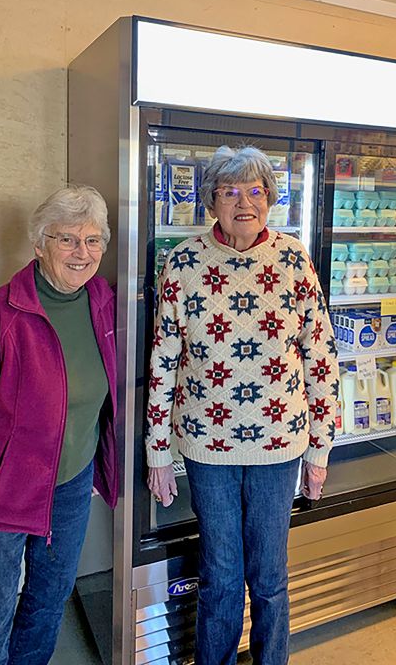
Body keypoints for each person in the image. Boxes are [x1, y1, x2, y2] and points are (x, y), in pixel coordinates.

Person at [145, 146, 339, 665]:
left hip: (281, 448)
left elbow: (321, 357)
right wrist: (158, 450)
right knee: (220, 576)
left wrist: (319, 450)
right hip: (208, 447)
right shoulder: (183, 261)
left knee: (270, 578)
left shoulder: (294, 259)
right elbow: (164, 359)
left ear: (271, 200)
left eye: (255, 190)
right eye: (230, 191)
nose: (244, 202)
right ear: (211, 201)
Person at [0, 185, 118, 665]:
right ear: (39, 245)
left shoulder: (103, 302)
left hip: (69, 488)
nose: (80, 252)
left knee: (47, 605)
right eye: (66, 239)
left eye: (91, 240)